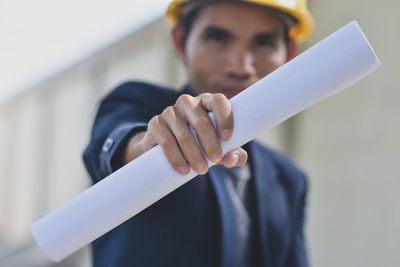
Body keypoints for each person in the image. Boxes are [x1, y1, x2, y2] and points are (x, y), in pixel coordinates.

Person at [83, 0, 314, 266]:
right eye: (217, 38)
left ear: (289, 54)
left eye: (263, 43)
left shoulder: (289, 180)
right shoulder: (138, 104)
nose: (240, 67)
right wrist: (149, 144)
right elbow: (113, 147)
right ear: (181, 42)